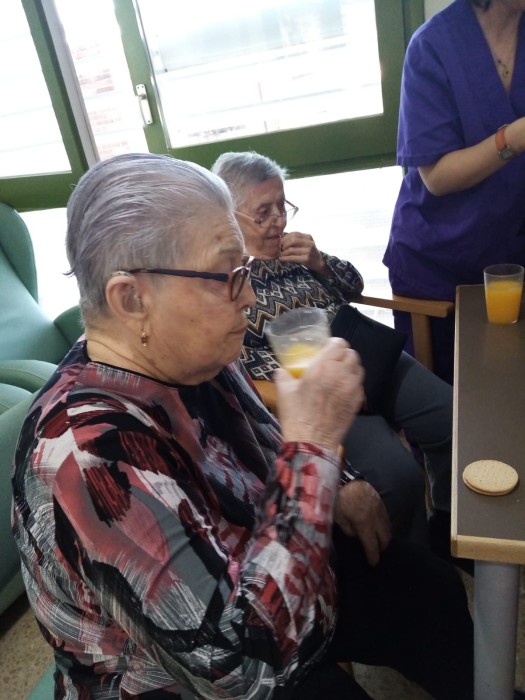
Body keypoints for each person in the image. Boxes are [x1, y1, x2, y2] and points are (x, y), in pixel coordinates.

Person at [12, 152, 474, 700]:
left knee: (428, 589)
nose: (250, 295)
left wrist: (342, 480)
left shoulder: (191, 356)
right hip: (205, 671)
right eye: (228, 276)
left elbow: (264, 439)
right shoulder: (86, 454)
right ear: (131, 299)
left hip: (262, 564)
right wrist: (315, 451)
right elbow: (243, 668)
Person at [211, 150, 456, 558]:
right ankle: (417, 566)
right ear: (229, 215)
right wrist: (309, 379)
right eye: (264, 212)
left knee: (450, 416)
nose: (279, 221)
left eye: (282, 206)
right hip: (318, 389)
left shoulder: (295, 251)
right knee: (400, 477)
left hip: (369, 356)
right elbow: (240, 365)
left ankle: (448, 524)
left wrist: (320, 262)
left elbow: (354, 284)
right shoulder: (226, 280)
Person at [383, 0, 525, 386]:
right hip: (437, 262)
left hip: (511, 255)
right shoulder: (432, 46)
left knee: (509, 388)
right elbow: (436, 176)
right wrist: (513, 137)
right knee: (451, 398)